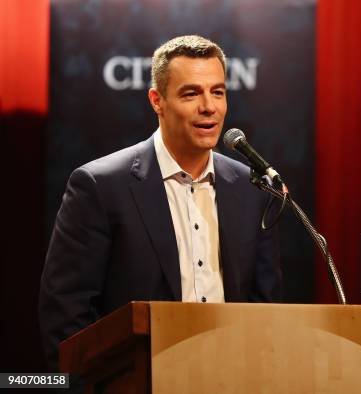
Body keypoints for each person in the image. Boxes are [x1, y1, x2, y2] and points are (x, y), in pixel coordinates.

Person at [39, 35, 282, 370]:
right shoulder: (101, 186)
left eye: (218, 92)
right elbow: (66, 310)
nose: (209, 106)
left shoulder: (252, 188)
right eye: (191, 93)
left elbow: (265, 306)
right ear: (157, 100)